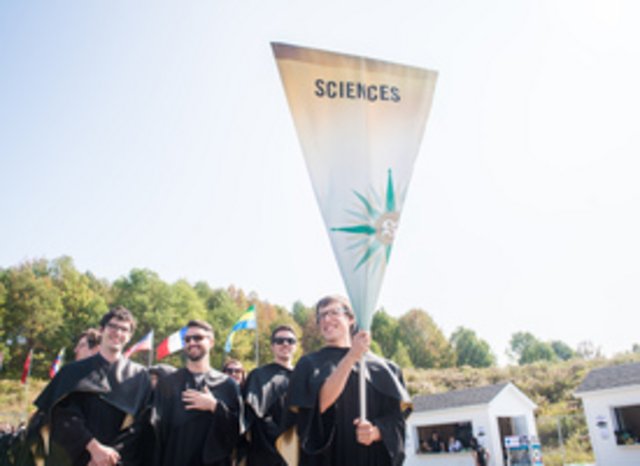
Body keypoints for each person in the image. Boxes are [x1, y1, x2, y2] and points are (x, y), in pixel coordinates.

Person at [287, 295, 410, 466]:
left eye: (333, 312)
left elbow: (396, 422)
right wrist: (352, 356)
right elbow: (318, 406)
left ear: (351, 318)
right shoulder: (309, 364)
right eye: (321, 316)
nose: (326, 319)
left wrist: (376, 432)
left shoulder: (385, 369)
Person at [33, 306, 151, 466]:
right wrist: (94, 449)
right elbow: (63, 416)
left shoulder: (139, 376)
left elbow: (138, 426)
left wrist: (109, 458)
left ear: (129, 337)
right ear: (101, 330)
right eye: (113, 326)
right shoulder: (73, 372)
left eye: (124, 329)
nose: (118, 332)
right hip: (75, 459)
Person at [151, 320, 242, 466]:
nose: (191, 342)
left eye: (198, 338)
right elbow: (156, 432)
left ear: (211, 342)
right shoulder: (168, 383)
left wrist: (214, 407)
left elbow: (237, 430)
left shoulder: (227, 385)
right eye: (187, 339)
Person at [243, 325, 298, 466]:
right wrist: (281, 440)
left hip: (297, 451)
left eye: (290, 341)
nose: (285, 344)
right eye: (279, 341)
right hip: (265, 454)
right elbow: (254, 415)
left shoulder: (302, 377)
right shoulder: (258, 376)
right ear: (272, 346)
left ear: (295, 346)